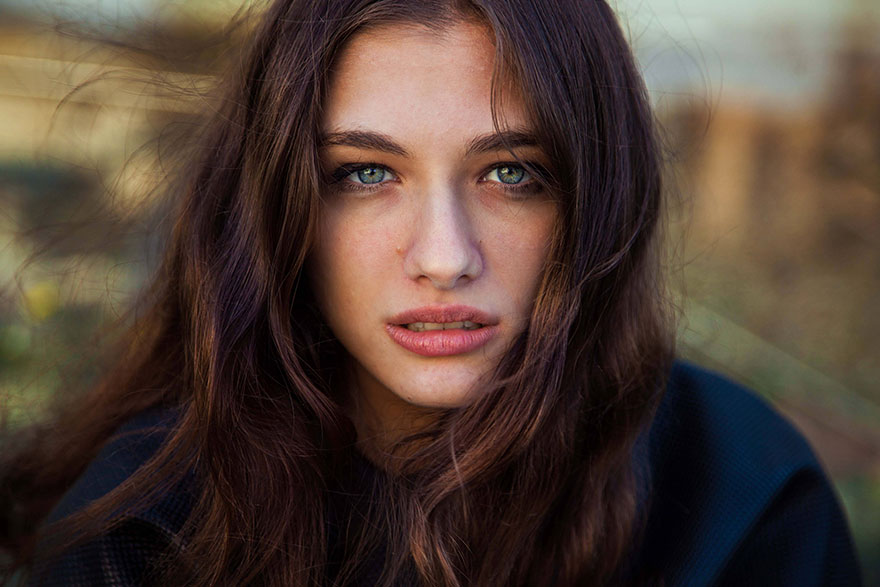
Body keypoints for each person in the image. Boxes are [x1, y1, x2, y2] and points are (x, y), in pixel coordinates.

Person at [0, 0, 861, 585]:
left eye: (511, 173)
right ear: (279, 206)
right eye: (366, 172)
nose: (445, 257)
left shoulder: (747, 498)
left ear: (596, 198)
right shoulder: (143, 536)